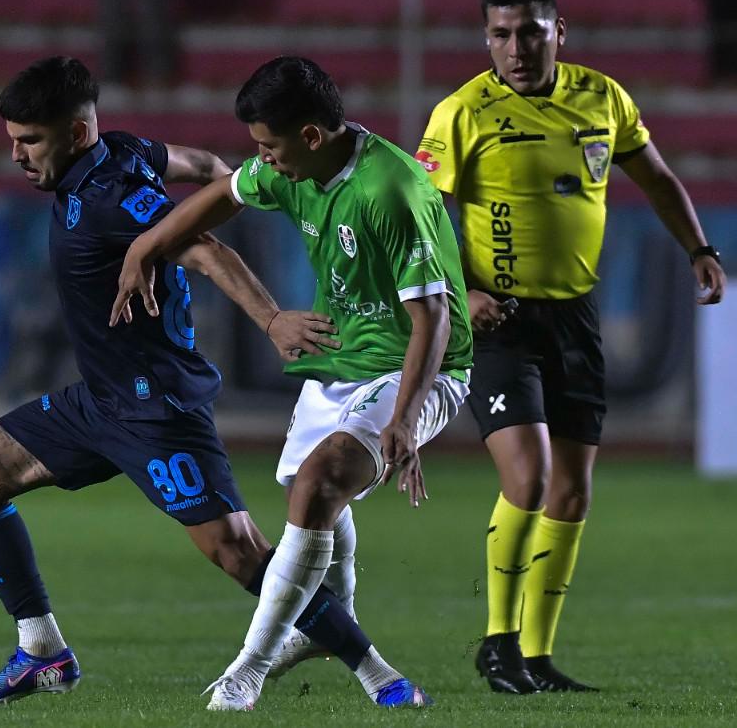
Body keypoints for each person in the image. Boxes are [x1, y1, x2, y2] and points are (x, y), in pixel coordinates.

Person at [0, 55, 421, 707]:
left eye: (30, 141)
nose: (19, 157)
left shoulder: (111, 196)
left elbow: (206, 248)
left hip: (155, 410)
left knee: (242, 555)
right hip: (98, 401)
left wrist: (273, 318)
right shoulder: (125, 150)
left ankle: (378, 674)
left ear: (76, 134)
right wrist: (229, 183)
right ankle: (43, 652)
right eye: (13, 141)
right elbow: (196, 166)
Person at [112, 55, 476, 711]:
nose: (261, 161)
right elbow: (219, 199)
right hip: (339, 361)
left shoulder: (390, 191)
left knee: (316, 486)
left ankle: (248, 669)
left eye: (268, 148)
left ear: (311, 136)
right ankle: (339, 639)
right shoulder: (296, 166)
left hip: (419, 365)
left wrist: (405, 419)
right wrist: (146, 249)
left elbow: (435, 317)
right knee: (316, 502)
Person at [412, 0, 727, 693]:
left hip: (576, 317)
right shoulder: (461, 113)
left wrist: (699, 249)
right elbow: (424, 218)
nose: (515, 48)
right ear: (486, 37)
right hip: (499, 320)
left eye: (529, 31)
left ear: (559, 31)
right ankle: (497, 643)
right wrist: (464, 293)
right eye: (500, 34)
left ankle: (537, 655)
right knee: (529, 476)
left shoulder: (603, 98)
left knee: (573, 494)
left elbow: (654, 176)